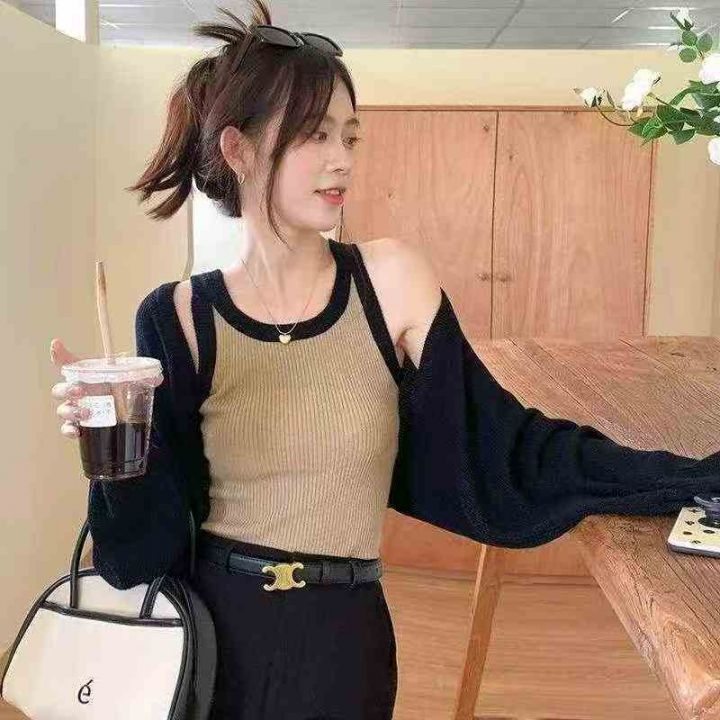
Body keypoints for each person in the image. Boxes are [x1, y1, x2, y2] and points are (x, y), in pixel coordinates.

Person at [49, 1, 720, 717]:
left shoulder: (389, 280)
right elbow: (139, 554)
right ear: (239, 151)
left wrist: (687, 477)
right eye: (314, 135)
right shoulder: (177, 315)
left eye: (350, 135)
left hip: (346, 639)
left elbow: (507, 443)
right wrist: (113, 452)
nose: (342, 158)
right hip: (212, 640)